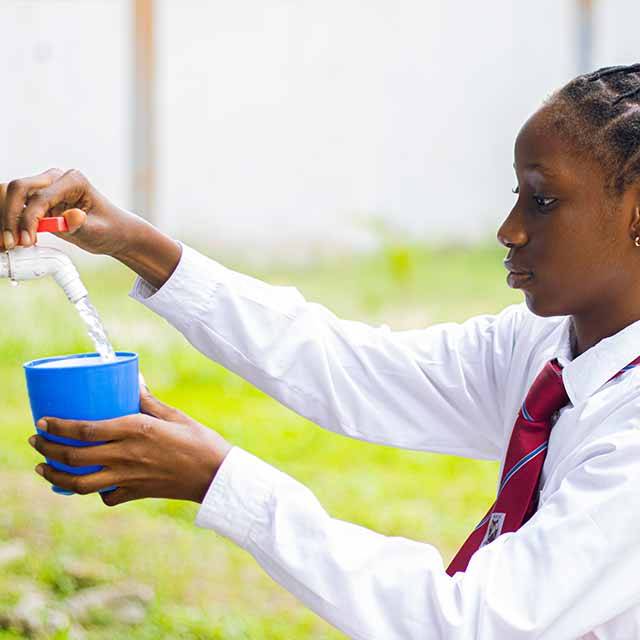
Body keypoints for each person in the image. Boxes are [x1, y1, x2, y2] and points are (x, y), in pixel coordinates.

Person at [4, 63, 640, 638]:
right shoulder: (547, 347)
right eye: (515, 197)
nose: (510, 230)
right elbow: (347, 367)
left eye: (544, 201)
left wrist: (219, 480)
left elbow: (472, 623)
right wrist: (134, 243)